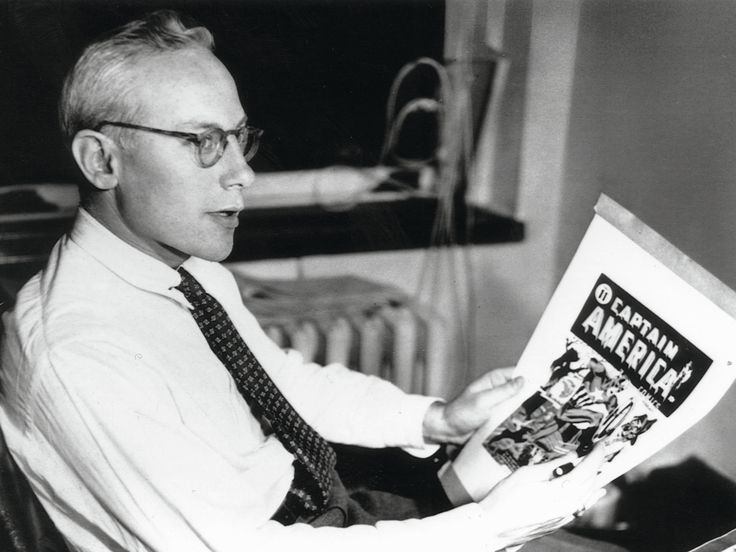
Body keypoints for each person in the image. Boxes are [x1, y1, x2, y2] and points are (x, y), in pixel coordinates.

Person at [0, 10, 618, 552]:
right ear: (100, 160)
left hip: (321, 510)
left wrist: (435, 419)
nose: (244, 173)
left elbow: (279, 382)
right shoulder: (79, 351)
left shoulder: (187, 274)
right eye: (204, 142)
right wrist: (488, 530)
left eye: (238, 137)